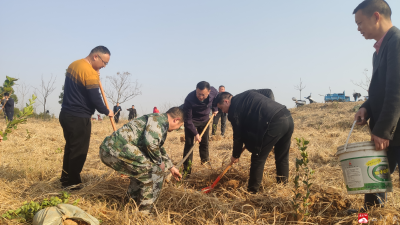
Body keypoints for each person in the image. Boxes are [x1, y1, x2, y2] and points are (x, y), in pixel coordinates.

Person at [352, 0, 400, 212]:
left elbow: (396, 90)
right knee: (374, 181)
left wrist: (382, 130)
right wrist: (366, 108)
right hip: (388, 130)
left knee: (376, 177)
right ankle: (368, 219)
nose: (358, 28)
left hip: (393, 129)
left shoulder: (397, 42)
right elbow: (380, 91)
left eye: (360, 22)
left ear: (376, 16)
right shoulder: (378, 51)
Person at [99, 107, 183, 214]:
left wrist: (171, 167)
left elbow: (157, 146)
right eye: (178, 126)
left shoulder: (158, 119)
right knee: (154, 172)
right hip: (115, 150)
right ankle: (144, 214)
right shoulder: (160, 121)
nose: (176, 129)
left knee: (141, 173)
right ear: (176, 119)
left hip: (109, 149)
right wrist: (160, 163)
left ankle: (129, 206)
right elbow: (150, 143)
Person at [216, 89, 293, 194]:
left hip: (274, 123)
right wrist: (269, 109)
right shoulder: (247, 93)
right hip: (286, 116)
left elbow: (238, 136)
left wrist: (236, 155)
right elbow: (268, 92)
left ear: (226, 101)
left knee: (258, 158)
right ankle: (284, 188)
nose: (223, 112)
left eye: (221, 108)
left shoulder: (233, 111)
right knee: (282, 156)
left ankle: (252, 192)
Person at [59, 46, 114, 190]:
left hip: (66, 114)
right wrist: (106, 110)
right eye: (104, 62)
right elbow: (95, 97)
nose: (104, 66)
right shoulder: (89, 72)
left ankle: (65, 179)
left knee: (70, 148)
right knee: (79, 151)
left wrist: (95, 73)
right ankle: (73, 183)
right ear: (96, 56)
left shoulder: (75, 64)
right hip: (78, 117)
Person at [182, 81, 218, 174]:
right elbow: (188, 120)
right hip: (192, 121)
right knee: (189, 146)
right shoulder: (189, 99)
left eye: (203, 95)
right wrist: (196, 134)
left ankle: (205, 166)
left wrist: (215, 108)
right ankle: (187, 171)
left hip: (205, 121)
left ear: (209, 92)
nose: (200, 97)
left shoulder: (213, 91)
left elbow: (216, 98)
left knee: (205, 144)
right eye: (198, 94)